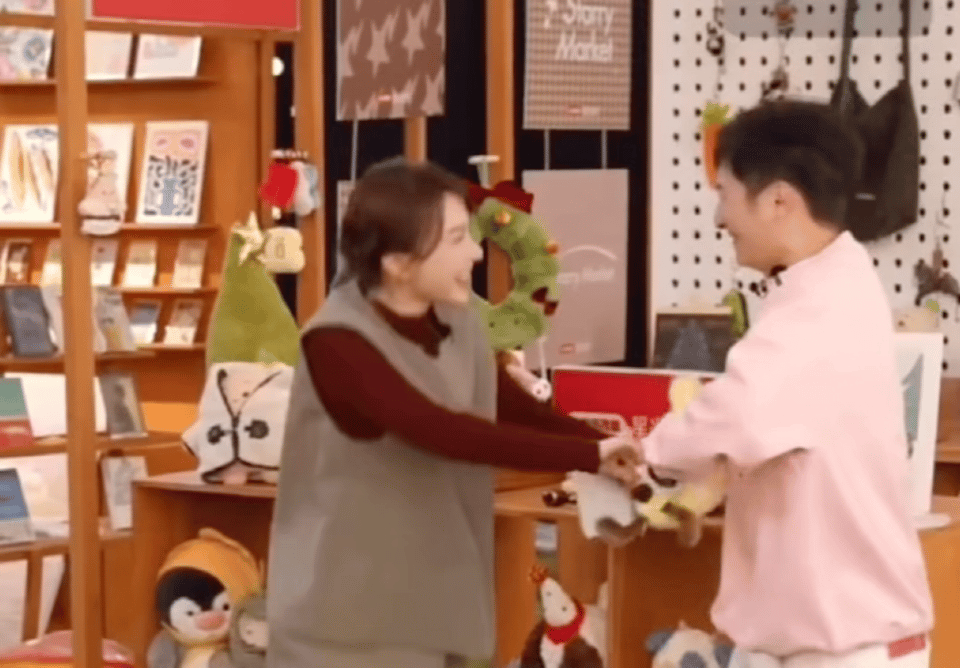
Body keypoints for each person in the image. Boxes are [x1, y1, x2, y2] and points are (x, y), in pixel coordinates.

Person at [266, 157, 638, 668]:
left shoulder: (456, 320)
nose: (477, 253)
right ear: (398, 262)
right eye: (458, 239)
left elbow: (508, 406)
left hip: (428, 589)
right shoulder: (336, 342)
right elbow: (439, 429)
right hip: (347, 610)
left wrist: (604, 446)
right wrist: (588, 455)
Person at [626, 100, 933, 668]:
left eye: (724, 194)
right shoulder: (833, 285)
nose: (718, 219)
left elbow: (733, 417)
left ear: (778, 202)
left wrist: (638, 458)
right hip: (821, 642)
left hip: (844, 650)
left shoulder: (815, 316)